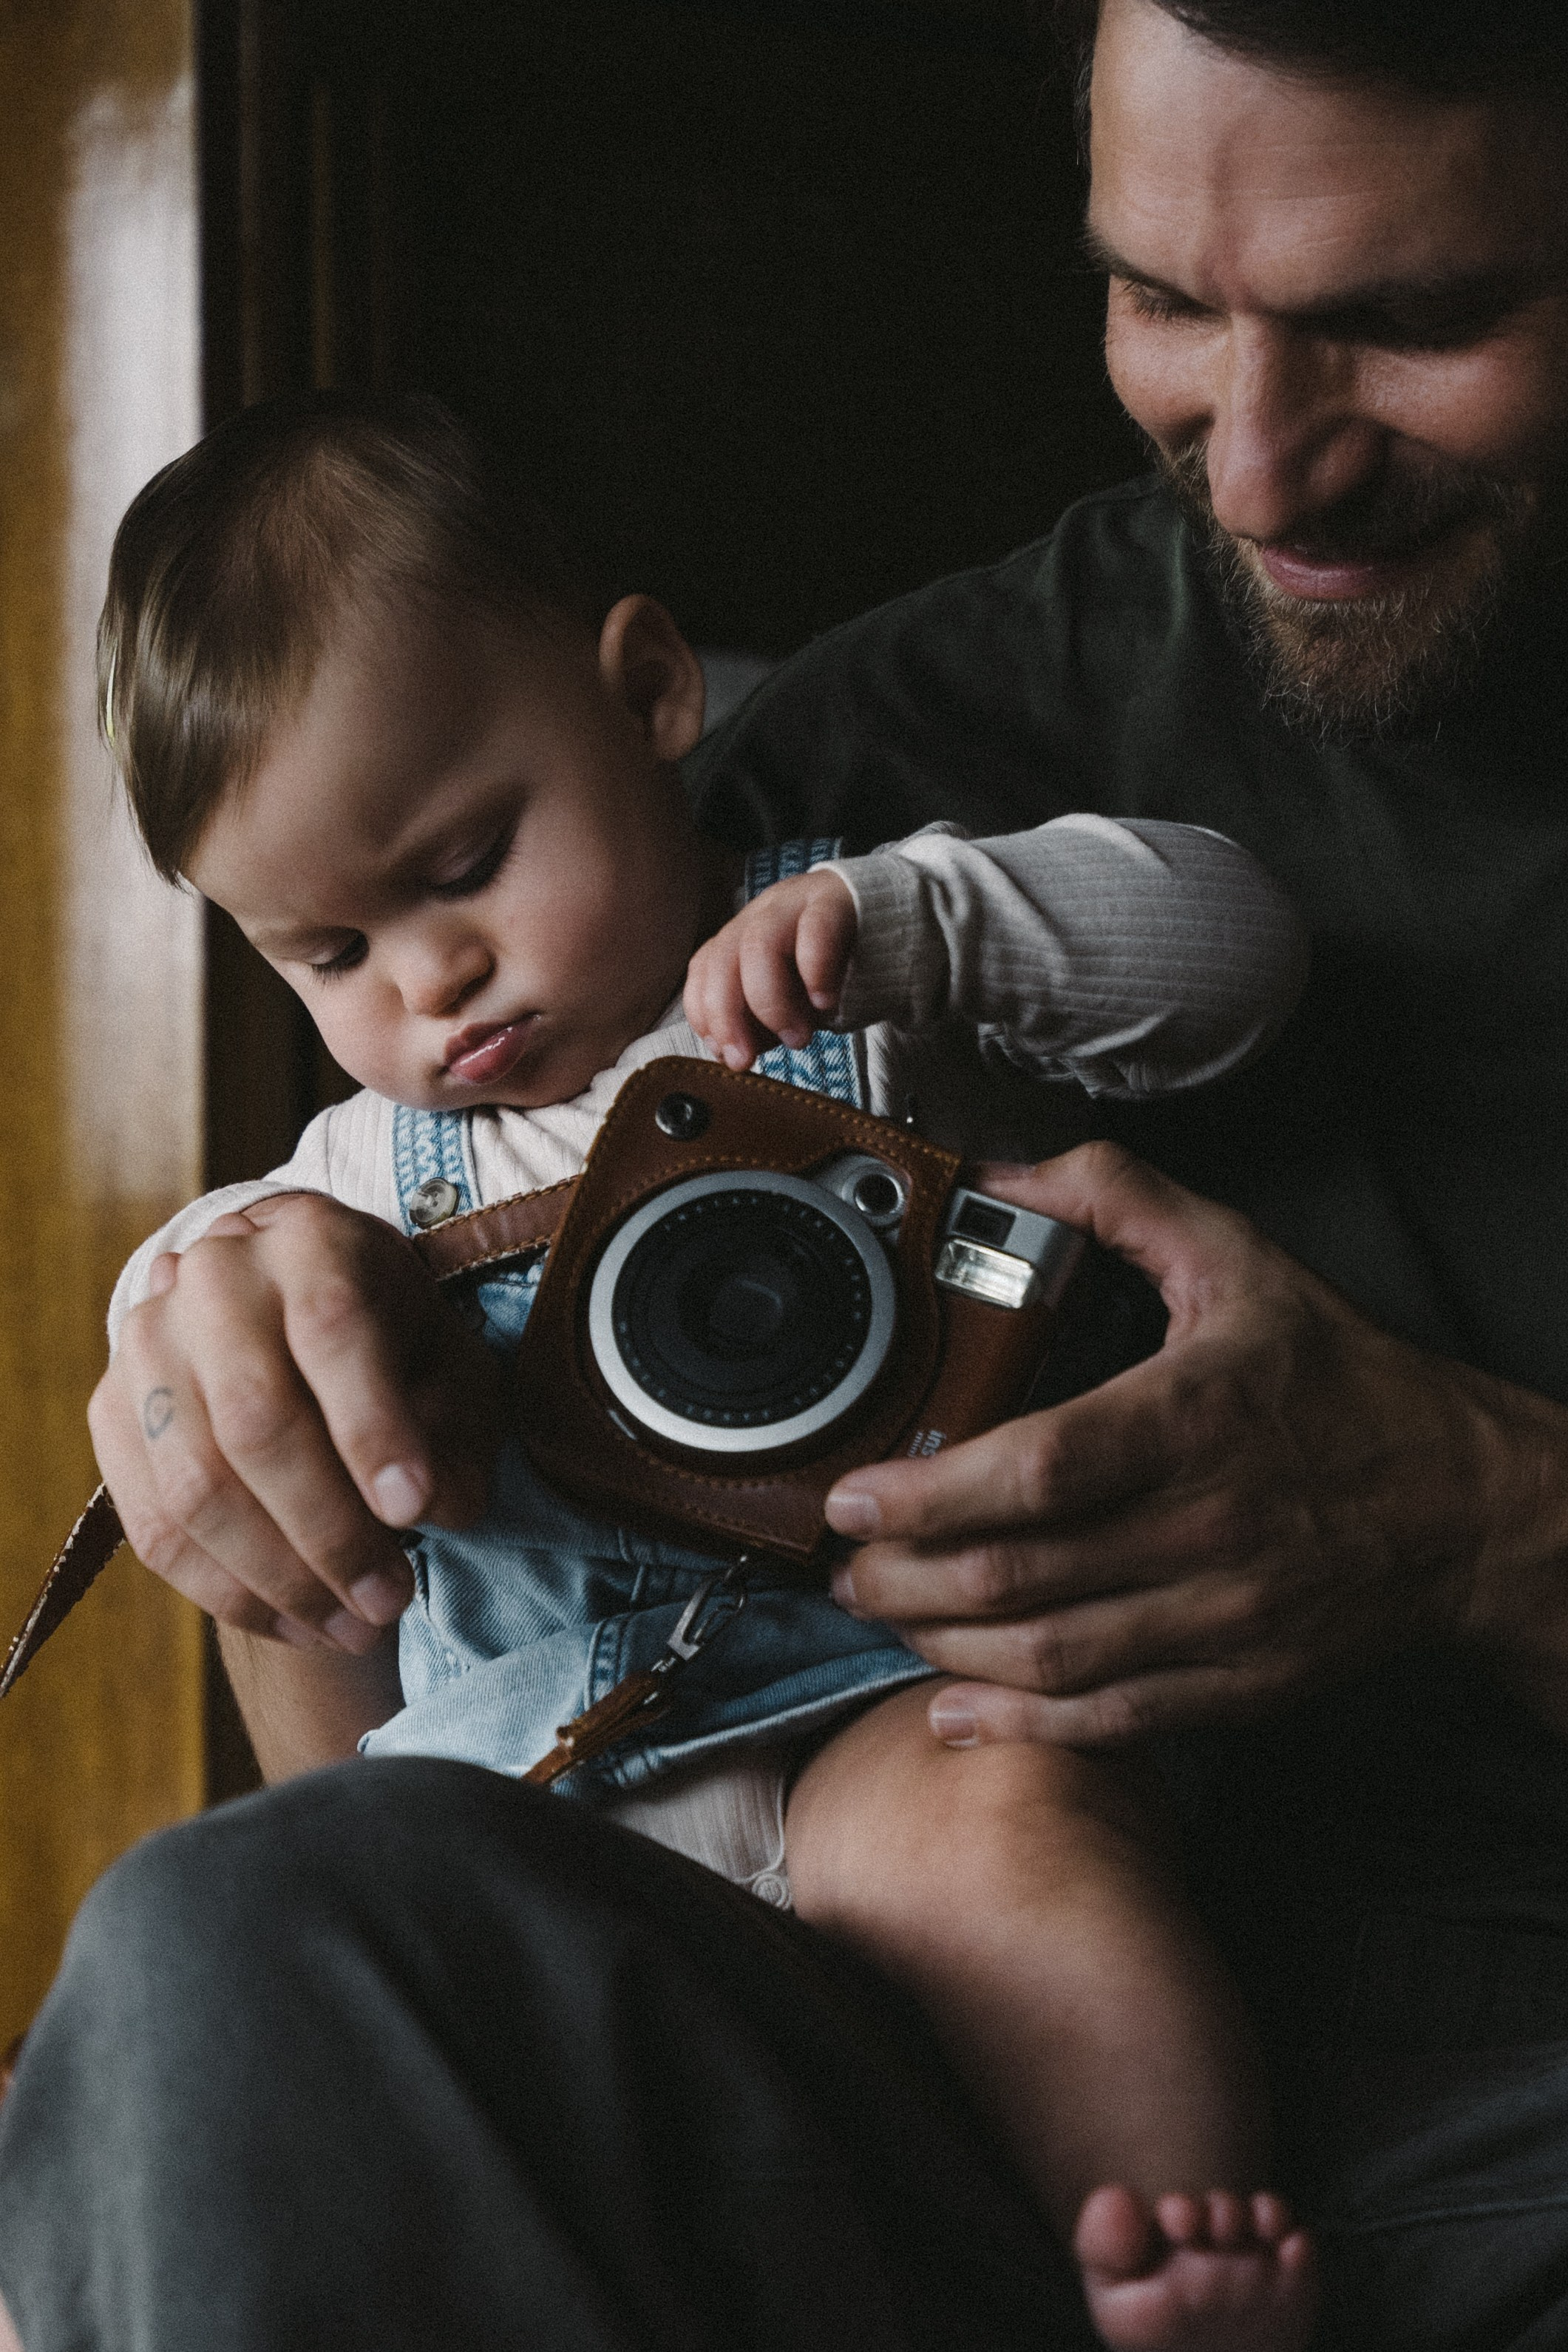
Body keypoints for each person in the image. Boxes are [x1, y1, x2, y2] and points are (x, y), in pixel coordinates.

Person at [4, 0, 1568, 2343]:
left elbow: (1182, 940)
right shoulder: (874, 744)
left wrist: (1485, 1511)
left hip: (1322, 2022)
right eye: (1157, 299)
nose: (1250, 468)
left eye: (1414, 317)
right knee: (212, 1970)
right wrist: (213, 1346)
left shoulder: (909, 897)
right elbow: (313, 1549)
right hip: (701, 1921)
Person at [53, 387, 1310, 2348]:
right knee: (235, 2010)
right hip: (529, 1767)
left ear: (643, 692)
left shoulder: (849, 966)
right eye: (324, 954)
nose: (426, 983)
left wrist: (923, 922)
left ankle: (1159, 2262)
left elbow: (1232, 955)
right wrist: (183, 1316)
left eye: (465, 861)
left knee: (1018, 1847)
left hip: (874, 1695)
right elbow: (193, 1296)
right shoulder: (363, 1171)